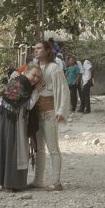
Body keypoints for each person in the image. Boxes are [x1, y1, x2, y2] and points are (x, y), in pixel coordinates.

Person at [0, 65, 44, 191]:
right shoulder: (23, 83)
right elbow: (28, 105)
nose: (35, 79)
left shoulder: (21, 81)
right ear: (26, 72)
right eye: (34, 75)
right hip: (8, 118)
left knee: (7, 149)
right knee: (12, 149)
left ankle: (7, 183)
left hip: (5, 117)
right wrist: (37, 91)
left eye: (38, 77)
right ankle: (10, 183)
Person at [31, 40, 69, 190]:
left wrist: (61, 111)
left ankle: (56, 182)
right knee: (39, 148)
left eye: (39, 48)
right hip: (36, 112)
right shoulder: (34, 68)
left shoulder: (54, 69)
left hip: (49, 111)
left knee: (53, 148)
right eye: (35, 48)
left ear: (47, 50)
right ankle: (38, 180)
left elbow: (64, 90)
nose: (36, 50)